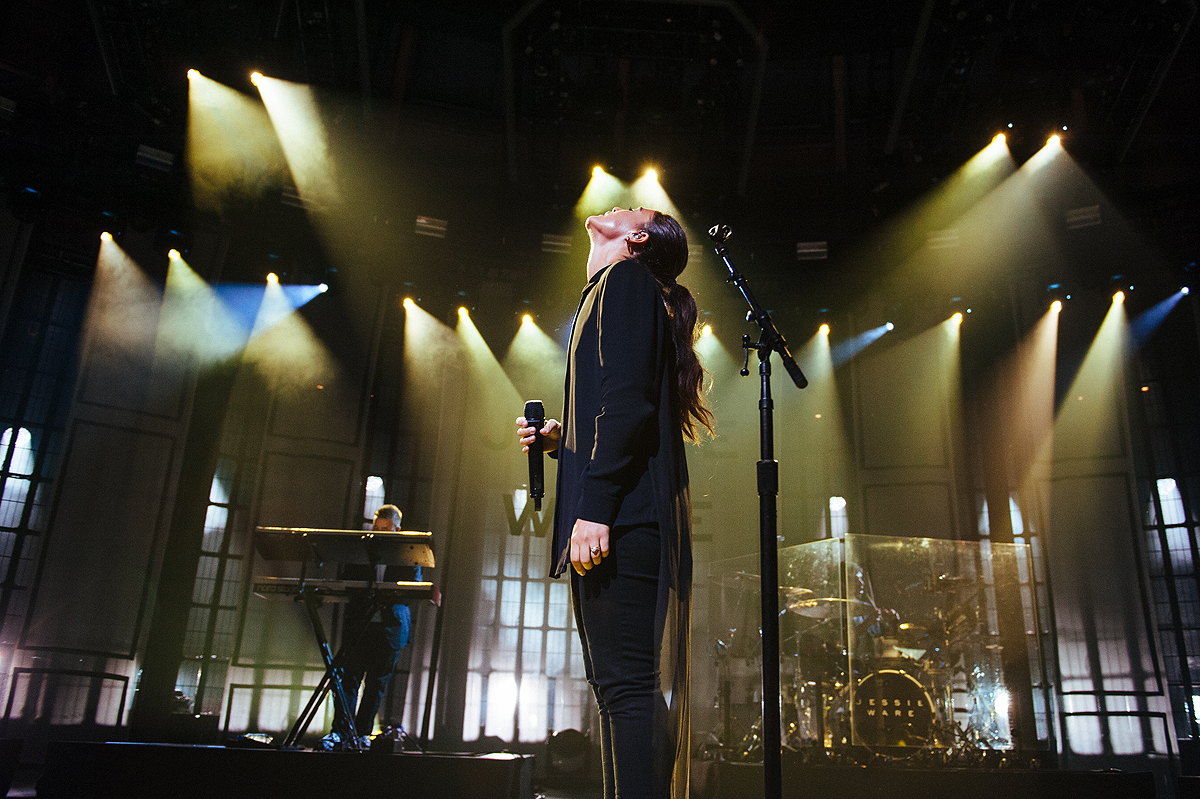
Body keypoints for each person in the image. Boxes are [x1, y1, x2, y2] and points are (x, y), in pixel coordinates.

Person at [517, 206, 713, 799]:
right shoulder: (614, 288)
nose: (615, 204)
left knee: (626, 689)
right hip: (623, 516)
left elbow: (629, 405)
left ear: (637, 238)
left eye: (631, 207)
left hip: (623, 520)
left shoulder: (626, 281)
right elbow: (620, 403)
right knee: (619, 689)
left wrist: (595, 504)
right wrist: (563, 442)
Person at [321, 504, 428, 751]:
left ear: (397, 529)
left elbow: (412, 588)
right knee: (349, 680)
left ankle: (361, 735)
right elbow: (349, 581)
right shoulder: (364, 550)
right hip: (362, 624)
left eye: (385, 529)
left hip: (389, 628)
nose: (379, 532)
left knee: (376, 685)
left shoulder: (408, 552)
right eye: (376, 527)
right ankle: (341, 732)